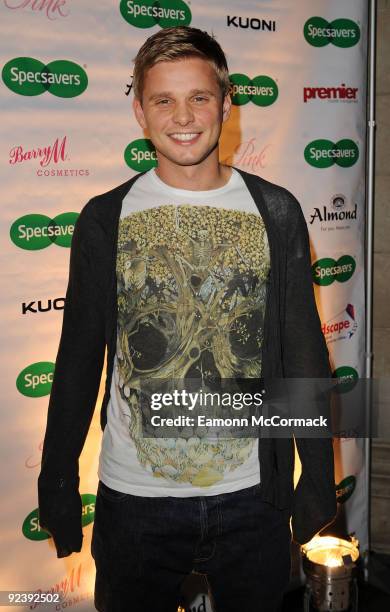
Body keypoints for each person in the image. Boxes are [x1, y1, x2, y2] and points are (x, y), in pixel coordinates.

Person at [38, 26, 337, 612]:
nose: (184, 115)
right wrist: (56, 484)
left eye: (199, 97)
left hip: (255, 497)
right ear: (139, 112)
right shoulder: (105, 218)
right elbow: (77, 362)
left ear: (227, 104)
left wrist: (318, 476)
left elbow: (302, 348)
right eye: (163, 100)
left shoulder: (276, 211)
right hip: (134, 500)